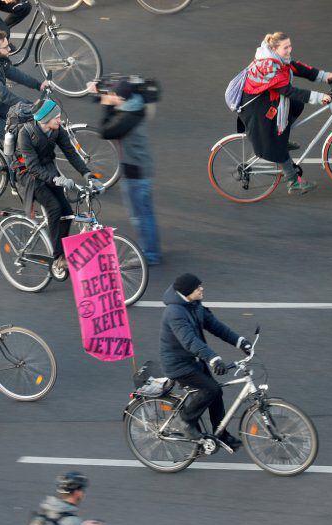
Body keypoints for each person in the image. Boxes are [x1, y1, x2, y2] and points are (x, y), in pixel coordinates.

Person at [237, 32, 332, 195]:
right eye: (286, 47)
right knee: (277, 143)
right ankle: (293, 182)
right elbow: (288, 91)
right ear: (275, 48)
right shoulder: (268, 67)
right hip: (256, 107)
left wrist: (325, 76)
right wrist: (320, 97)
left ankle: (282, 140)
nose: (290, 50)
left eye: (290, 45)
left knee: (296, 106)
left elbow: (297, 67)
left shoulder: (278, 59)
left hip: (266, 100)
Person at [159, 274, 251, 449]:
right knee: (211, 389)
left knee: (216, 393)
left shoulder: (194, 305)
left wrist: (240, 342)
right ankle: (185, 421)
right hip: (179, 365)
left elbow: (216, 326)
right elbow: (190, 341)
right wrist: (213, 358)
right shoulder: (175, 313)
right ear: (187, 292)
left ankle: (221, 435)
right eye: (197, 287)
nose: (202, 289)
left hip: (193, 361)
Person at [16, 99, 100, 279]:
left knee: (67, 212)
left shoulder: (56, 131)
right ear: (45, 119)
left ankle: (62, 251)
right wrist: (57, 179)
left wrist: (87, 174)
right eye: (57, 118)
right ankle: (58, 257)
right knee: (54, 208)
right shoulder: (25, 134)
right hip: (30, 177)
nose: (60, 121)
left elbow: (70, 152)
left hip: (48, 171)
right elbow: (32, 167)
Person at [88, 79, 161, 265]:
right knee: (147, 213)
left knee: (140, 216)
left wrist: (105, 104)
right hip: (142, 168)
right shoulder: (135, 104)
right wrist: (102, 96)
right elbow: (116, 112)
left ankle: (150, 255)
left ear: (120, 98)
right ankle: (153, 250)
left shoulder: (127, 118)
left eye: (113, 95)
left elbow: (105, 131)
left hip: (135, 173)